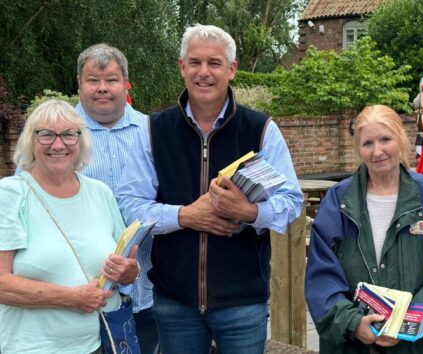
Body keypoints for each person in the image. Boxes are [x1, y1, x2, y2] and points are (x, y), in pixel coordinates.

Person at [116, 24, 303, 354]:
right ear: (182, 67)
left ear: (232, 69)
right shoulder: (153, 130)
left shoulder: (261, 130)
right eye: (195, 62)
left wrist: (249, 212)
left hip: (242, 300)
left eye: (214, 63)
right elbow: (129, 205)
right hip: (175, 300)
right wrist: (187, 216)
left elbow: (290, 202)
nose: (204, 72)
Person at [305, 104, 423, 354]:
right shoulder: (337, 200)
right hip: (352, 346)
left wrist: (409, 323)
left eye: (385, 139)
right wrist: (353, 322)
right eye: (367, 143)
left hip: (415, 346)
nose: (377, 151)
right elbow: (321, 274)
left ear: (401, 139)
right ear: (358, 148)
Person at [0, 99, 139, 353]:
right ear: (31, 141)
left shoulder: (100, 193)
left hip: (101, 343)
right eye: (46, 135)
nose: (58, 144)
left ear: (81, 140)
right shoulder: (10, 195)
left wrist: (129, 270)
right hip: (32, 347)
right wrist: (71, 298)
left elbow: (127, 270)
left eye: (68, 135)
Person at [75, 43, 158, 354]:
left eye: (111, 80)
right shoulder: (56, 135)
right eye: (92, 80)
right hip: (78, 294)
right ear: (79, 84)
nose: (102, 88)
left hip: (145, 289)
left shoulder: (153, 132)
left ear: (126, 83)